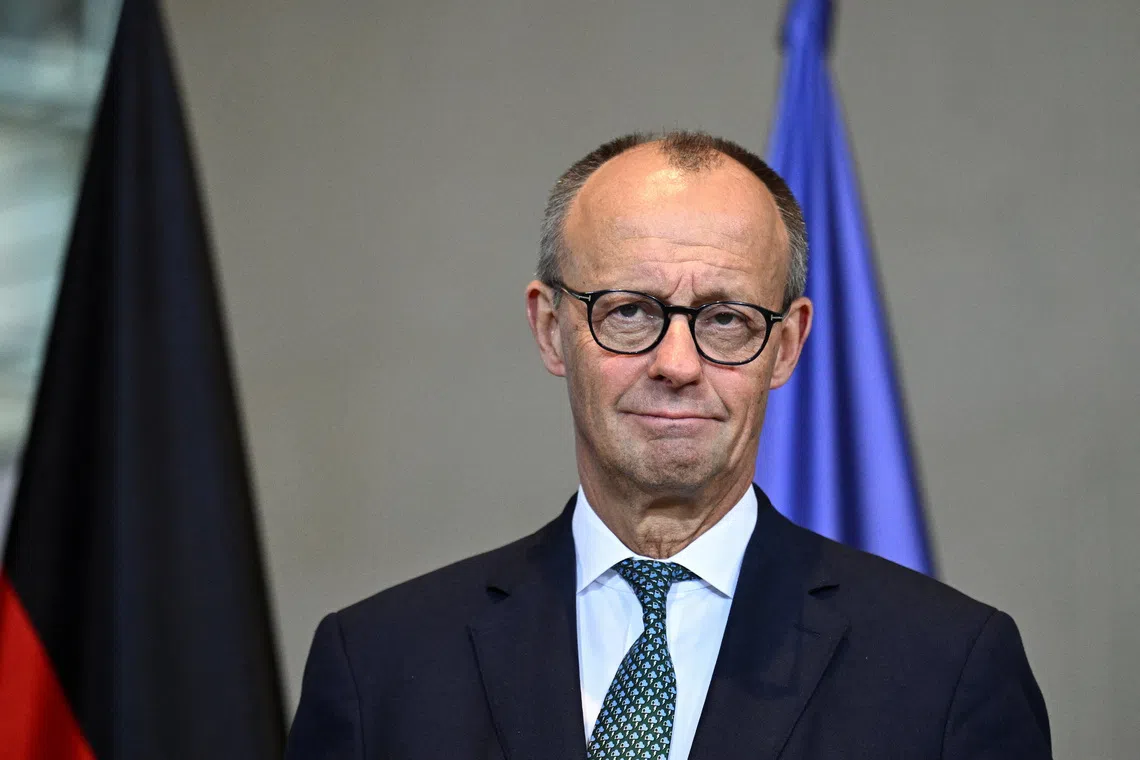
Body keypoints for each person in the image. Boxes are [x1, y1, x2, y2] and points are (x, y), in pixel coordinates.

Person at [285, 131, 1051, 759]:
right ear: (551, 328)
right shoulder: (378, 667)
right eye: (629, 311)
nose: (677, 365)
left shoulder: (947, 669)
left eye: (726, 319)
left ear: (786, 347)